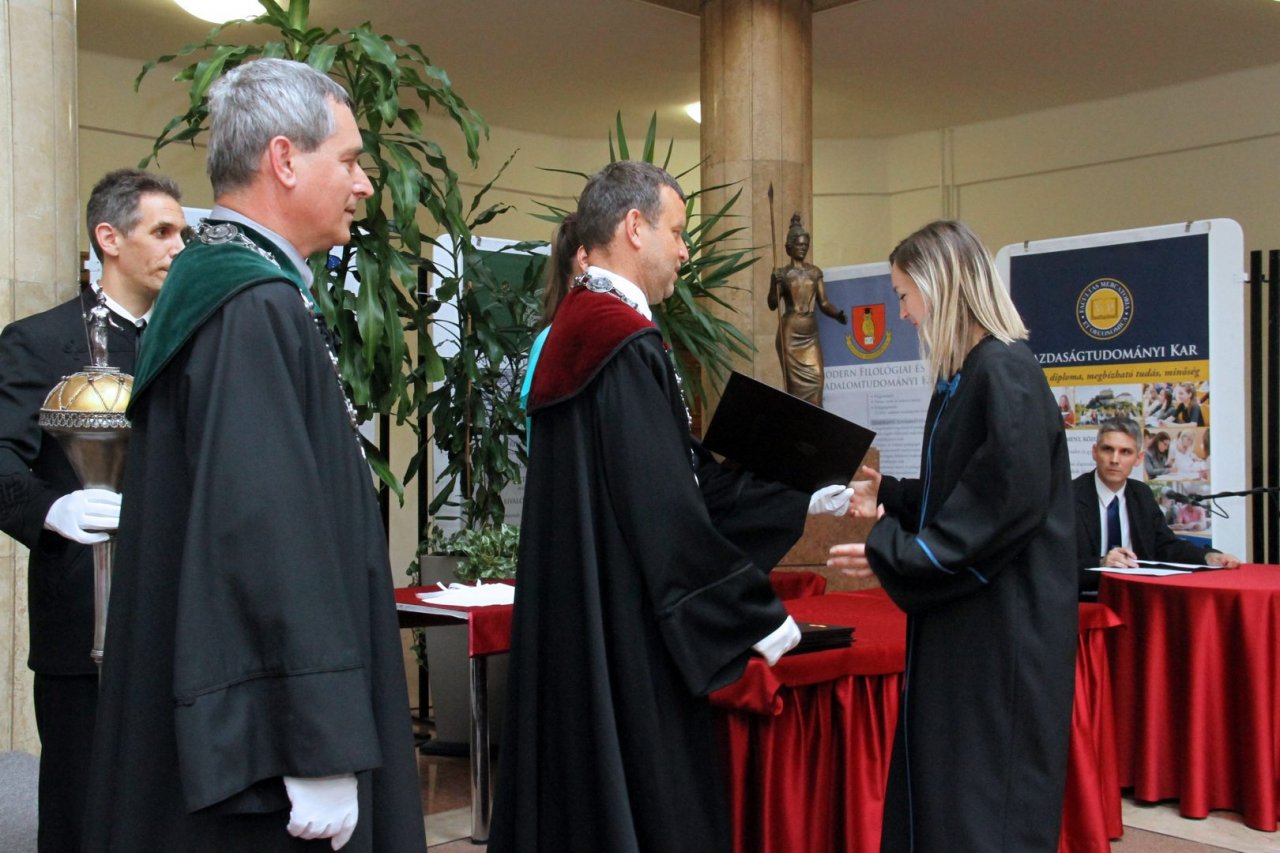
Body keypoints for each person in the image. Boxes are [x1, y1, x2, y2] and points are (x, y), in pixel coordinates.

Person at [82, 59, 425, 852]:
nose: (364, 183)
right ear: (284, 159)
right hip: (267, 769)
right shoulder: (251, 305)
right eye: (350, 160)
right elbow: (263, 529)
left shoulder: (237, 290)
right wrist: (315, 743)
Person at [489, 161, 852, 853]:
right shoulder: (622, 342)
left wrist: (797, 493)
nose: (686, 251)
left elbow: (675, 478)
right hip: (629, 638)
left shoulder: (575, 330)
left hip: (585, 622)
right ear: (635, 227)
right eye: (679, 232)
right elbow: (665, 510)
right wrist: (750, 615)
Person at [826, 220, 1077, 852]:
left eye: (904, 295)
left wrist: (892, 552)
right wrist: (887, 494)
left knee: (985, 806)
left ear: (939, 286)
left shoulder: (1003, 372)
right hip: (972, 631)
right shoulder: (966, 374)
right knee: (949, 795)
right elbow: (958, 490)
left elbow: (997, 511)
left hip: (1004, 638)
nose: (902, 313)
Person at [0, 168, 184, 853]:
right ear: (109, 238)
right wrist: (54, 510)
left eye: (182, 233)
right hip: (83, 615)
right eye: (161, 231)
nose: (177, 247)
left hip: (177, 612)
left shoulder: (188, 341)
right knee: (81, 812)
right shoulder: (38, 340)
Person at [1075, 418, 1237, 597]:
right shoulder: (1068, 496)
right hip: (1083, 600)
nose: (1114, 460)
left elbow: (1166, 545)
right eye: (1107, 449)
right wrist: (1101, 564)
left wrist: (1207, 557)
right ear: (1094, 452)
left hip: (1137, 598)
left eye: (1125, 452)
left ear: (1139, 459)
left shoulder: (1141, 494)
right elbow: (1054, 563)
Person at [768, 212, 847, 405]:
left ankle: (815, 422)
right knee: (794, 389)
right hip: (790, 332)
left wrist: (837, 314)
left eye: (806, 245)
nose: (803, 248)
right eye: (799, 245)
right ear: (789, 247)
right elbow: (772, 304)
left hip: (810, 332)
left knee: (817, 381)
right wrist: (773, 283)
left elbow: (824, 303)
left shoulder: (814, 272)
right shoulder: (783, 274)